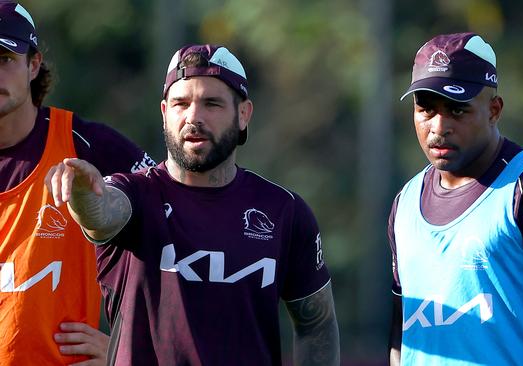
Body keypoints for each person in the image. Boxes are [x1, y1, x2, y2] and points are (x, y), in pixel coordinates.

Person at [46, 43, 340, 365]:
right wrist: (85, 193)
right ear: (164, 113)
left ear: (244, 114)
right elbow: (101, 215)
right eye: (180, 103)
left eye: (211, 103)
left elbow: (316, 323)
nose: (193, 117)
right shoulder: (135, 193)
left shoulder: (283, 210)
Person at [387, 32, 523, 365]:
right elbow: (402, 334)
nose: (438, 127)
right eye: (426, 110)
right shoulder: (404, 204)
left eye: (457, 110)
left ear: (494, 110)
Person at [0, 2, 155, 365]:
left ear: (33, 65)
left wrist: (129, 345)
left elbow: (177, 229)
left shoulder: (84, 146)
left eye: (5, 59)